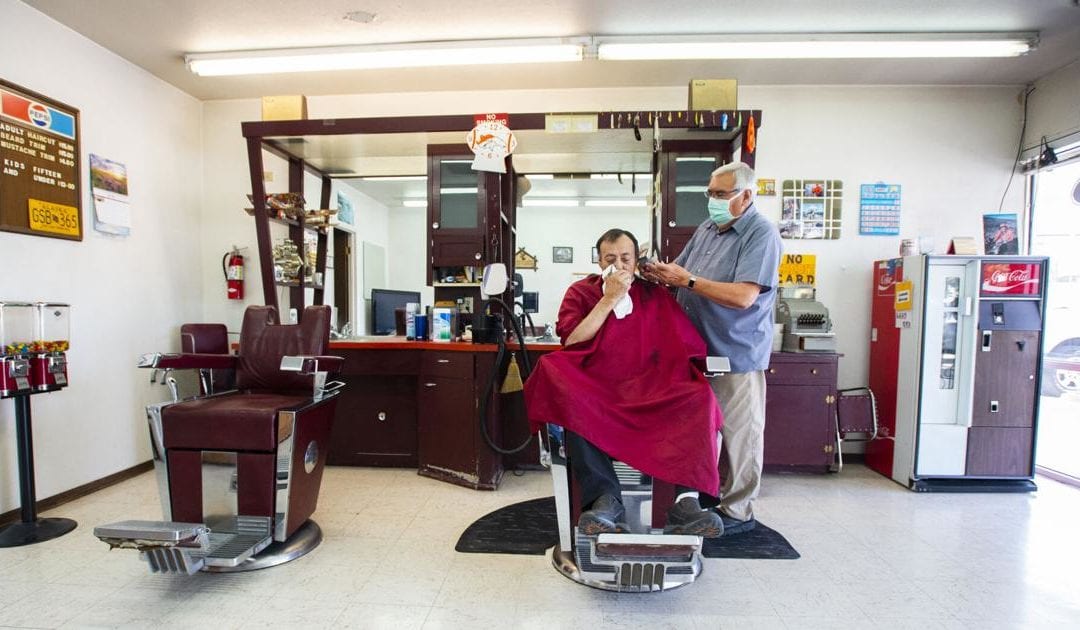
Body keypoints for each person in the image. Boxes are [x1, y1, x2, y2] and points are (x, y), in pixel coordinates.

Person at [524, 229, 725, 537]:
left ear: (636, 262)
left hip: (652, 387)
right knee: (566, 390)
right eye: (610, 259)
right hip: (599, 388)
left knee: (699, 397)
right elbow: (573, 339)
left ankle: (686, 503)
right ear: (598, 261)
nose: (618, 265)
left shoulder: (654, 294)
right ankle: (605, 499)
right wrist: (609, 298)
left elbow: (680, 346)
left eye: (625, 258)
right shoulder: (581, 292)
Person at [644, 161, 782, 535]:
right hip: (697, 352)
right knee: (703, 430)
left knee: (741, 434)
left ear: (746, 196)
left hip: (735, 352)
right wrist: (659, 272)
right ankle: (704, 498)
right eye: (711, 193)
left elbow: (744, 296)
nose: (713, 201)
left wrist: (687, 280)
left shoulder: (761, 234)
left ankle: (739, 511)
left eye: (721, 195)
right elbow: (683, 271)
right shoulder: (707, 229)